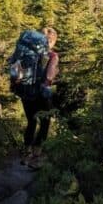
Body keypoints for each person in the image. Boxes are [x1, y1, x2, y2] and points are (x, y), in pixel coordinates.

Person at [22, 26, 58, 166]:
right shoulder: (52, 56)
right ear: (52, 41)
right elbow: (49, 77)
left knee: (31, 122)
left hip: (26, 94)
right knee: (45, 122)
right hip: (41, 95)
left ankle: (26, 154)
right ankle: (36, 156)